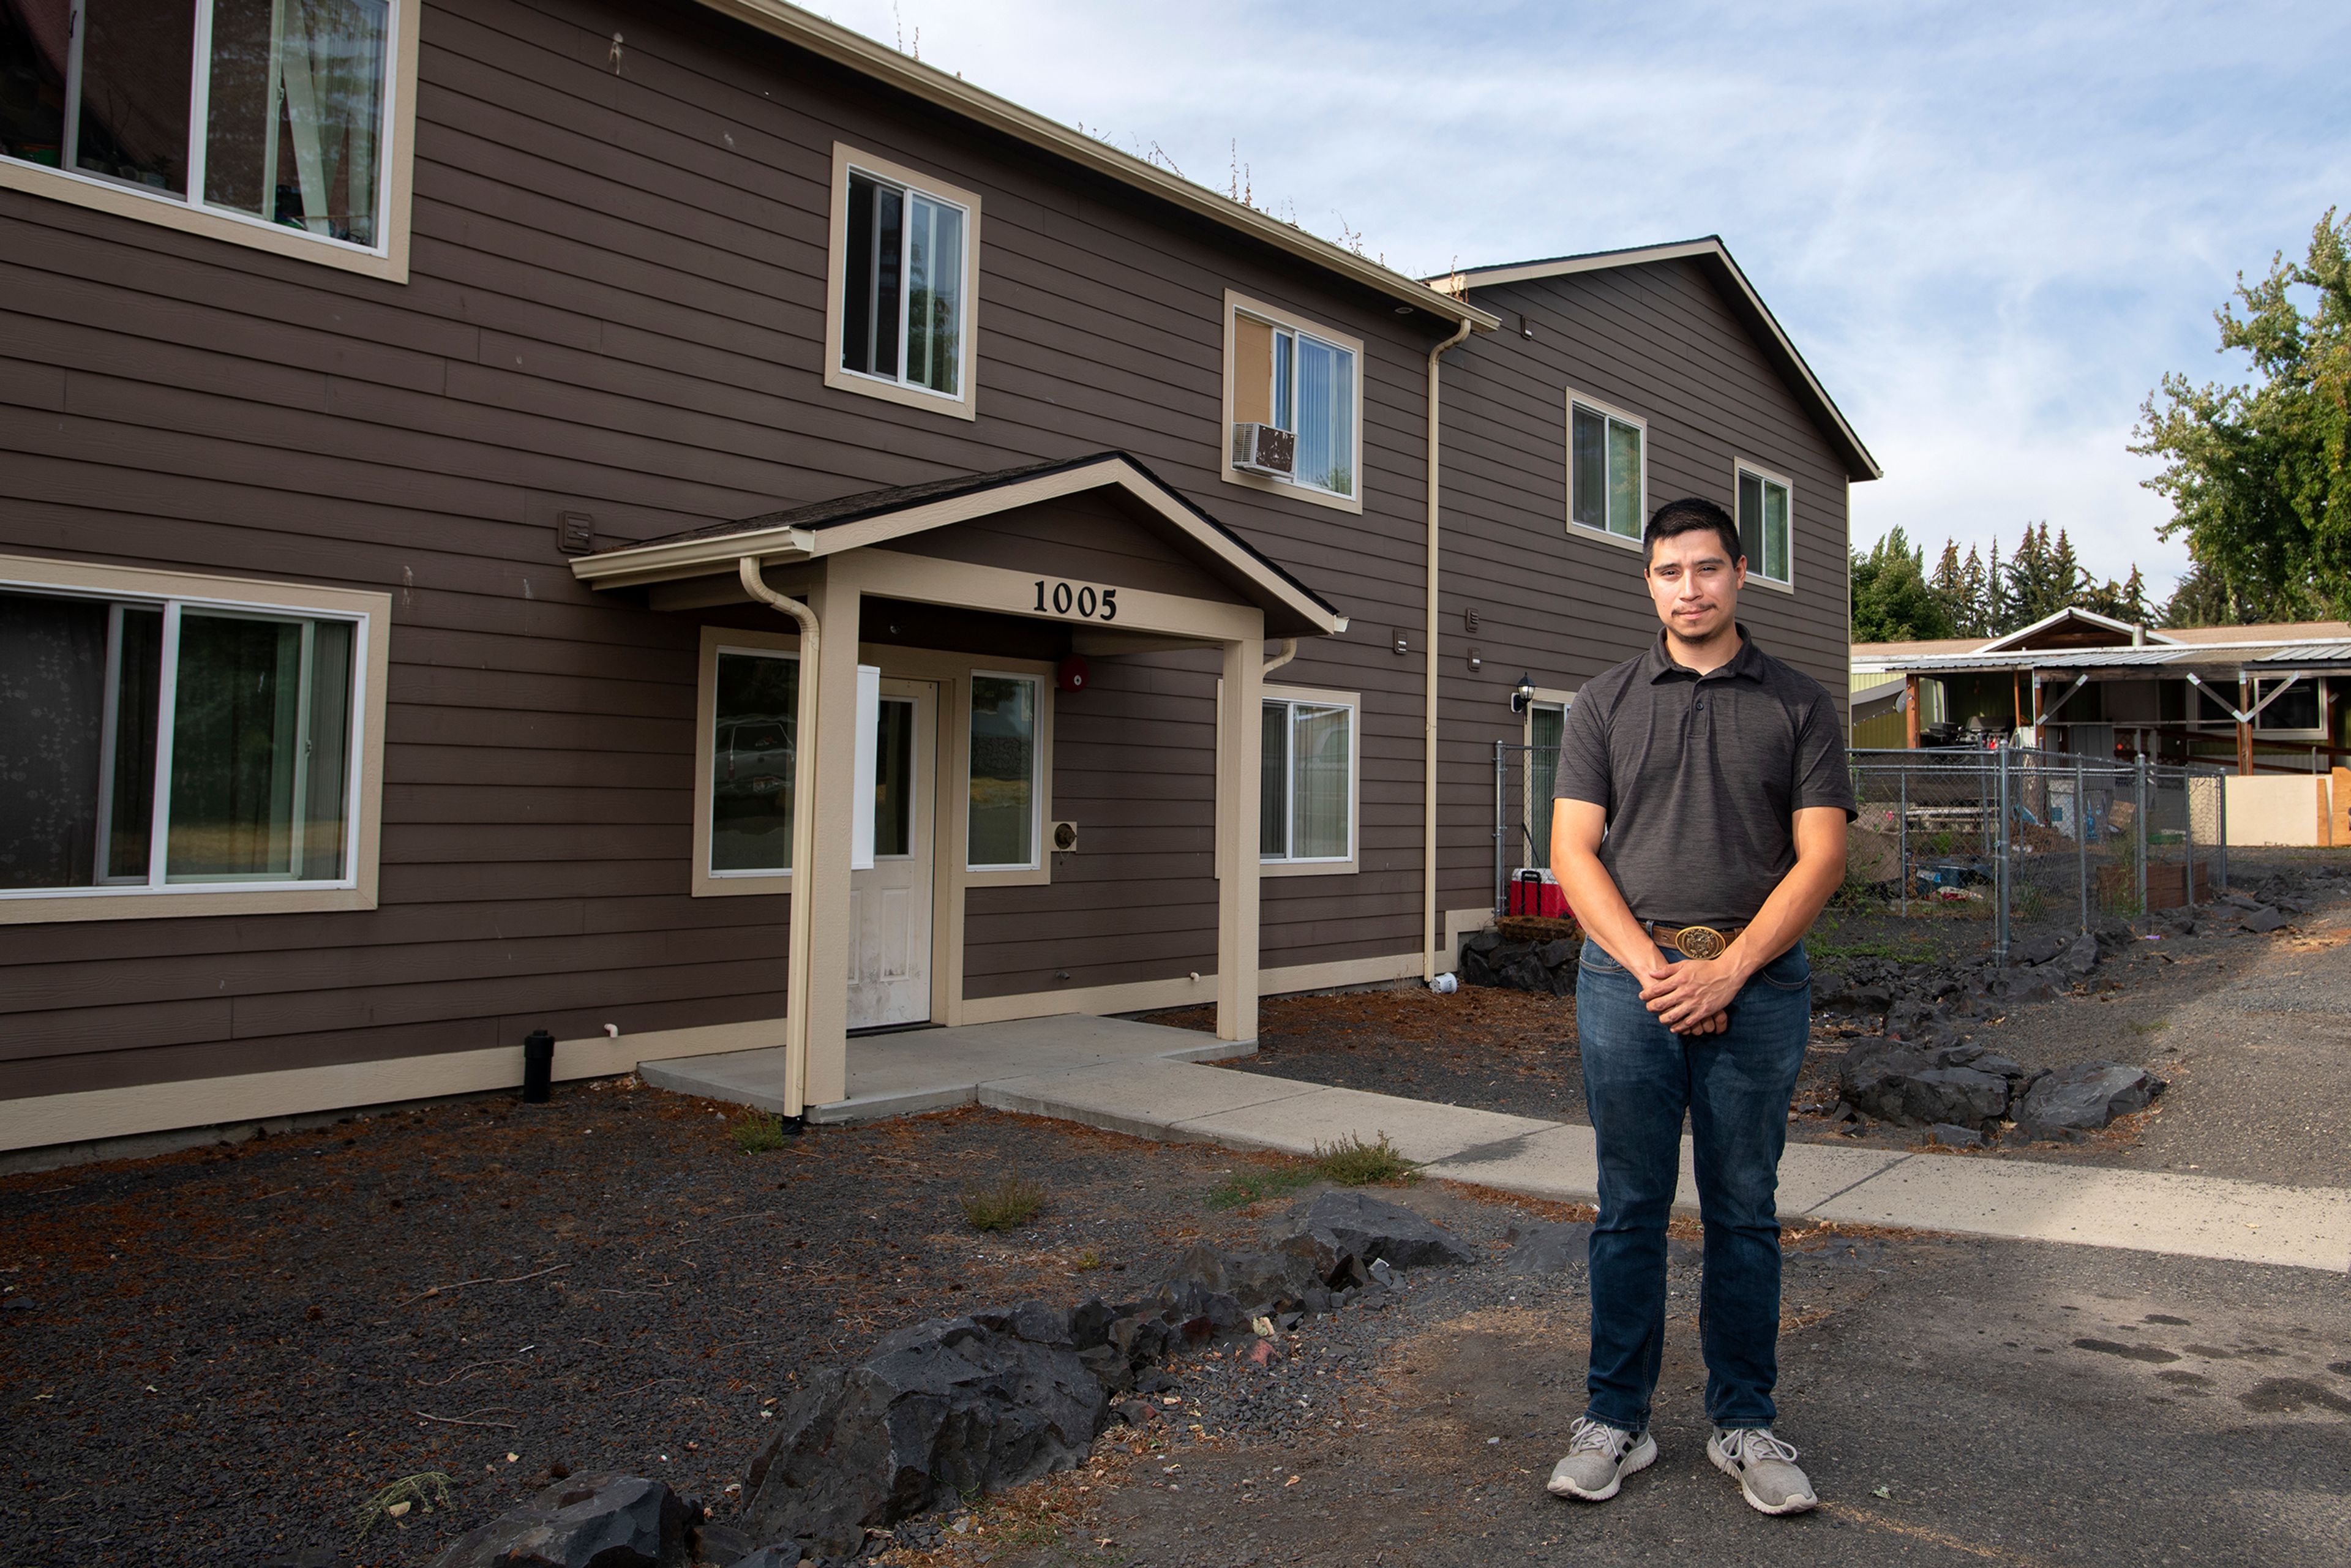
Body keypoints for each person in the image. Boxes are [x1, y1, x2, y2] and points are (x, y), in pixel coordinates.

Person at [1542, 496, 1854, 1516]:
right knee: (1628, 1206)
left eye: (1708, 568)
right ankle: (1615, 1420)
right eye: (1671, 571)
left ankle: (1745, 1421)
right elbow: (1572, 854)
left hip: (1758, 987)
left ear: (1740, 573)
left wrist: (1729, 970)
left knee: (1744, 1209)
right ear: (1649, 582)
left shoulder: (1802, 706)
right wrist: (1655, 971)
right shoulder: (1602, 703)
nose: (1691, 588)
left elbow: (1822, 857)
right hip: (1626, 988)